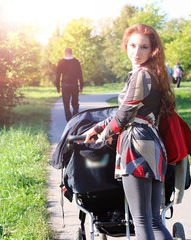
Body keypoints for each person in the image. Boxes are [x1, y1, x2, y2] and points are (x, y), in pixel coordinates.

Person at [83, 23, 174, 240]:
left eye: (143, 47)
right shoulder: (154, 73)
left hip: (136, 147)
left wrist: (103, 137)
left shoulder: (142, 75)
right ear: (126, 46)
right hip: (153, 146)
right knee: (153, 219)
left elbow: (123, 117)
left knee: (141, 221)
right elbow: (126, 112)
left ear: (153, 50)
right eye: (132, 45)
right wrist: (98, 127)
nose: (136, 52)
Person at [55, 48, 84, 121]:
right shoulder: (76, 62)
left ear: (65, 53)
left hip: (65, 85)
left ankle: (69, 121)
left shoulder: (61, 62)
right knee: (75, 103)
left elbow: (58, 75)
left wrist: (58, 87)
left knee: (66, 104)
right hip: (74, 85)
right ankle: (75, 119)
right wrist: (81, 86)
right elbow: (80, 74)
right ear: (71, 53)